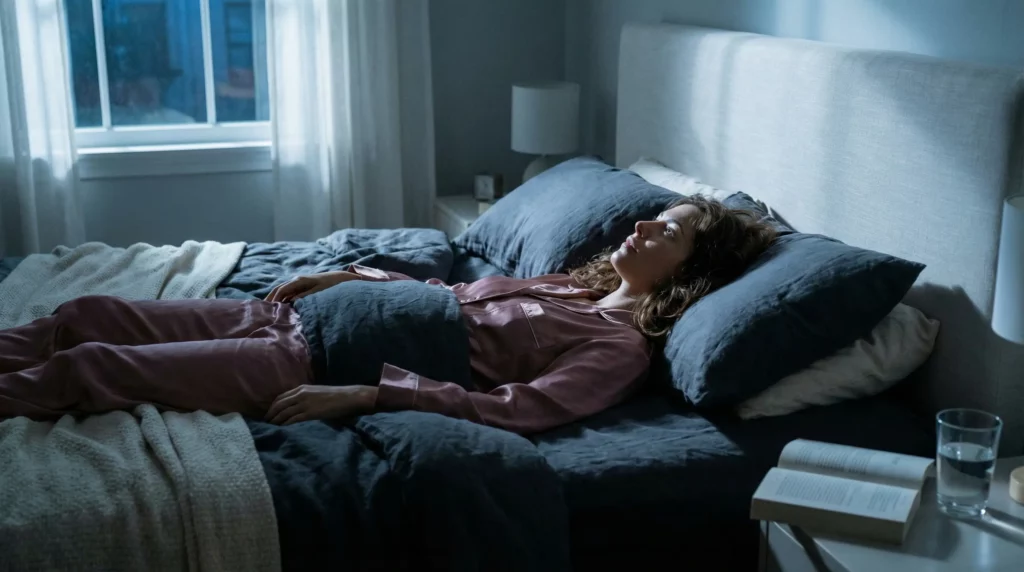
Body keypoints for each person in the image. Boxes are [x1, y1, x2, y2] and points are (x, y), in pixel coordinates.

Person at [0, 196, 775, 434]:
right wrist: (350, 272)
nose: (639, 227)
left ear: (694, 270)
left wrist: (371, 393)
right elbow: (446, 300)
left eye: (666, 231)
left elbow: (519, 409)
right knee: (85, 313)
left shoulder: (618, 349)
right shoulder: (570, 287)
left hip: (314, 362)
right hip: (302, 319)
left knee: (89, 368)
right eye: (652, 217)